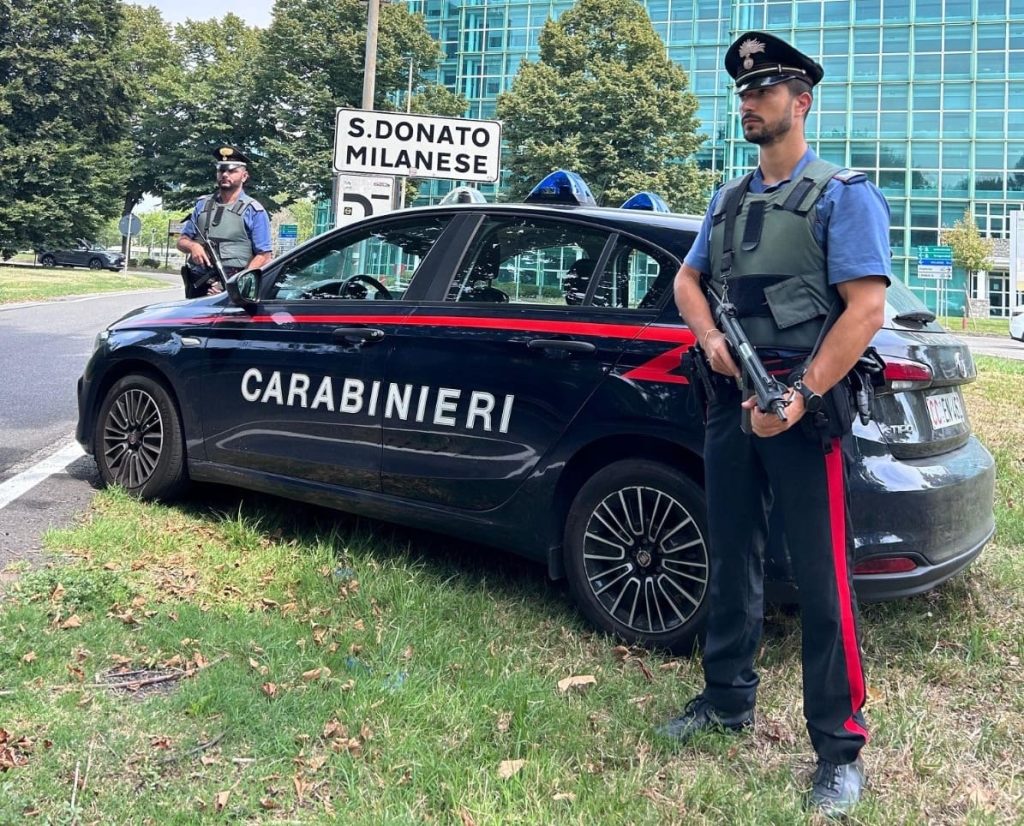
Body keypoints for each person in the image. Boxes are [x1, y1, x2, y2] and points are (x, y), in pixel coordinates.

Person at [664, 31, 891, 816]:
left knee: (824, 580)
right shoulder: (727, 200)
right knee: (731, 558)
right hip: (732, 403)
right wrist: (712, 341)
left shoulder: (843, 194)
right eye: (743, 92)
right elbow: (687, 282)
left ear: (801, 101)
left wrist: (797, 396)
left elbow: (865, 310)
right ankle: (726, 701)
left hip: (806, 410)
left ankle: (839, 748)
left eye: (765, 90)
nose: (749, 102)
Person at [177, 146, 273, 297]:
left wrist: (235, 284)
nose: (225, 174)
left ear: (244, 176)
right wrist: (193, 246)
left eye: (232, 171)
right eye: (221, 170)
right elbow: (182, 241)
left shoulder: (254, 211)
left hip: (233, 287)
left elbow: (264, 255)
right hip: (199, 284)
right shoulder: (202, 205)